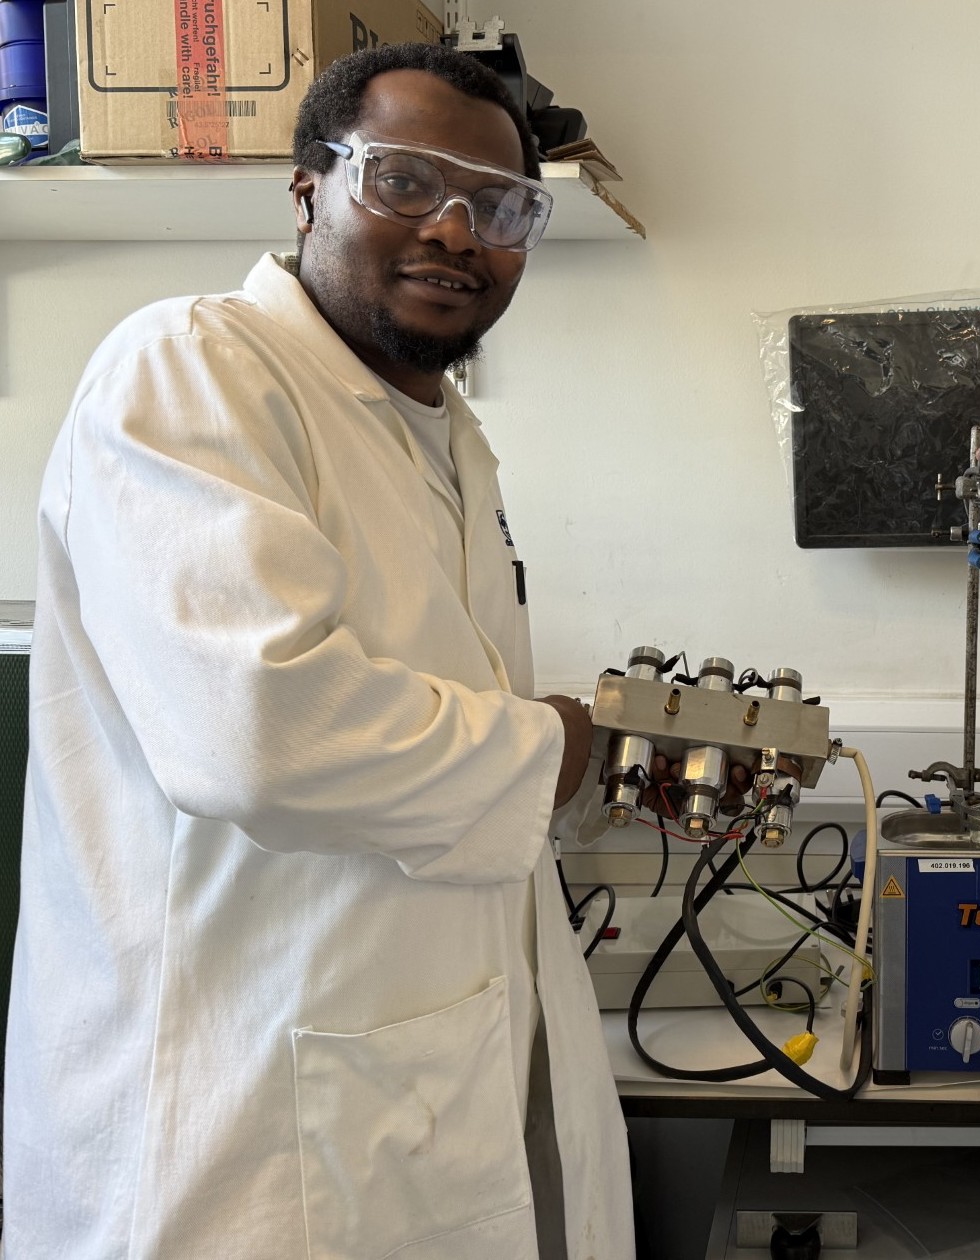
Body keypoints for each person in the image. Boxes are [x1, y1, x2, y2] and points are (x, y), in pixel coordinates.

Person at [5, 44, 632, 1259]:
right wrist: (554, 745)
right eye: (403, 179)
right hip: (233, 1125)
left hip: (394, 1089)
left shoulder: (443, 435)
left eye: (499, 207)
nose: (454, 230)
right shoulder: (193, 365)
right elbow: (261, 731)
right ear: (308, 191)